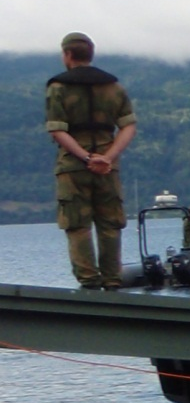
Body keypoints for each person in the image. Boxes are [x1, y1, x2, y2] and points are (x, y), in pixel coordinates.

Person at [45, 32, 136, 290]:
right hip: (108, 166)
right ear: (91, 55)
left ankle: (88, 283)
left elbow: (57, 131)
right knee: (110, 224)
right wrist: (107, 157)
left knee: (77, 225)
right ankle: (112, 280)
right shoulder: (115, 87)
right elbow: (129, 127)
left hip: (73, 167)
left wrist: (85, 157)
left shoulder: (58, 88)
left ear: (67, 55)